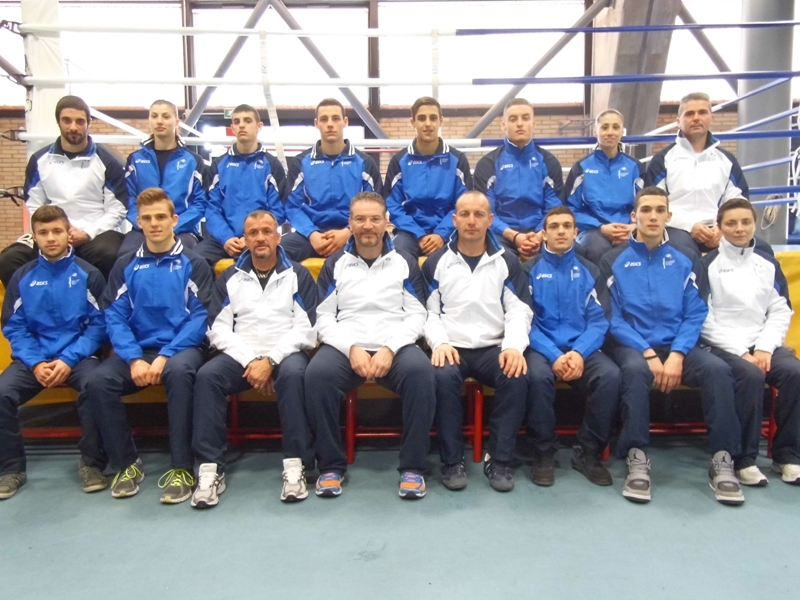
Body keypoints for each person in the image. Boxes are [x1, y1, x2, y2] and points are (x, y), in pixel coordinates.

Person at [600, 186, 744, 505]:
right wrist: (648, 352)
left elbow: (695, 312)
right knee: (636, 372)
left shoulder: (685, 259)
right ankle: (636, 456)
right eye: (646, 210)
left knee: (718, 371)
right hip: (633, 347)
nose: (652, 216)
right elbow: (613, 317)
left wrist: (678, 353)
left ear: (669, 215)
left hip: (678, 345)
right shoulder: (612, 260)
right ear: (633, 216)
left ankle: (723, 460)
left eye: (659, 210)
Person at [86, 188, 214, 503]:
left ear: (174, 220)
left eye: (161, 217)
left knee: (180, 373)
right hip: (138, 353)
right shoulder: (125, 265)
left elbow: (201, 318)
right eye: (147, 218)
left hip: (182, 349)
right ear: (138, 222)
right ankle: (127, 463)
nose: (154, 223)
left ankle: (182, 466)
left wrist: (167, 356)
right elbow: (114, 317)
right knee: (98, 381)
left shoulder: (194, 264)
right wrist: (133, 359)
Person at [304, 192, 435, 499]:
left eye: (375, 219)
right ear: (349, 224)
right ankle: (330, 466)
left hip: (396, 345)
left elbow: (418, 314)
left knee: (422, 374)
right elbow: (323, 317)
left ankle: (413, 467)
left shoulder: (403, 262)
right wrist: (351, 347)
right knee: (315, 376)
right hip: (347, 346)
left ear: (386, 223)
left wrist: (390, 347)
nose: (367, 226)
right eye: (360, 219)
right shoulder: (335, 263)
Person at [191, 209, 318, 508]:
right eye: (253, 233)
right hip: (242, 355)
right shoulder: (230, 277)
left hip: (285, 353)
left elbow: (307, 328)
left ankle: (295, 466)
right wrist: (251, 360)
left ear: (278, 236)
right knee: (207, 377)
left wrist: (270, 360)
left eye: (266, 231)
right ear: (244, 239)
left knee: (294, 374)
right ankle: (210, 469)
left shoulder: (297, 275)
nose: (260, 238)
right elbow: (217, 329)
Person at [423, 191, 532, 492]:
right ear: (454, 219)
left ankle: (499, 459)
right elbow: (428, 313)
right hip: (452, 346)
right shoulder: (437, 262)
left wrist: (513, 347)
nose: (472, 221)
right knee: (442, 378)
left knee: (517, 375)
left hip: (492, 347)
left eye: (479, 214)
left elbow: (519, 310)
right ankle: (451, 460)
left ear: (490, 220)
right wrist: (439, 343)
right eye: (465, 214)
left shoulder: (506, 260)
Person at [0, 206, 107, 500]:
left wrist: (68, 359)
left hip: (78, 357)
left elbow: (100, 326)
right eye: (43, 233)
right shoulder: (22, 277)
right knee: (1, 392)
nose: (50, 238)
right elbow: (14, 327)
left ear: (68, 233)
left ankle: (92, 463)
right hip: (34, 361)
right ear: (34, 237)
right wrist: (35, 364)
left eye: (57, 231)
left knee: (95, 386)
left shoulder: (88, 274)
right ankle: (11, 469)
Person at [700, 198, 800, 486]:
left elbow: (781, 309)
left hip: (764, 343)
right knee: (751, 375)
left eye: (745, 222)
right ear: (719, 228)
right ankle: (744, 459)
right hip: (725, 346)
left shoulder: (767, 264)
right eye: (731, 223)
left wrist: (766, 346)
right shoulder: (708, 265)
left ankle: (788, 455)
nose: (739, 228)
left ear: (754, 224)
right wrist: (743, 352)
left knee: (794, 373)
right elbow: (704, 319)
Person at [524, 206, 619, 487]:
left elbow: (600, 321)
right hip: (542, 348)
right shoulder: (528, 270)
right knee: (537, 377)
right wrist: (554, 355)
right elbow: (525, 321)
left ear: (576, 233)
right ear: (544, 234)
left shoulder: (590, 271)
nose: (561, 231)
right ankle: (543, 451)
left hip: (583, 348)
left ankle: (587, 451)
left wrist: (578, 352)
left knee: (611, 376)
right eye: (554, 226)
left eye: (567, 226)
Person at [0, 95, 127, 286]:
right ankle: (35, 309)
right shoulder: (39, 160)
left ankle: (99, 310)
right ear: (58, 121)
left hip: (94, 234)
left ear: (89, 122)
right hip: (52, 232)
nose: (73, 127)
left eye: (80, 121)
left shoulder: (108, 162)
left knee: (110, 254)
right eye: (67, 120)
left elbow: (117, 209)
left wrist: (87, 233)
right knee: (9, 259)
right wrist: (51, 232)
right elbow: (34, 204)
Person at [644, 91, 770, 262]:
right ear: (678, 122)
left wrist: (723, 226)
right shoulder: (663, 159)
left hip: (718, 228)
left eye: (702, 112)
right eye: (689, 114)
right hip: (677, 229)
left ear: (711, 117)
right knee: (684, 253)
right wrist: (690, 226)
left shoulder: (726, 160)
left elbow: (738, 201)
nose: (696, 118)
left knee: (763, 249)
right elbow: (653, 204)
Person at [282, 98, 382, 262]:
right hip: (311, 235)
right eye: (324, 119)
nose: (330, 124)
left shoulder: (364, 162)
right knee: (273, 252)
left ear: (345, 122)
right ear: (316, 123)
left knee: (383, 250)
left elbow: (376, 207)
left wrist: (348, 232)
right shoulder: (301, 162)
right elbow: (292, 207)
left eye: (335, 119)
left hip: (354, 234)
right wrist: (312, 234)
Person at [195, 104, 287, 266]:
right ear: (233, 127)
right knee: (195, 261)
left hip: (259, 238)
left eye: (247, 121)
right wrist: (226, 238)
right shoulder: (218, 165)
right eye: (237, 122)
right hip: (223, 239)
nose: (242, 125)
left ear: (259, 126)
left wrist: (250, 236)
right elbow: (212, 209)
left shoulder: (271, 165)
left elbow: (278, 211)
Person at [473, 98, 564, 258]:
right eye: (513, 119)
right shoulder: (488, 164)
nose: (520, 124)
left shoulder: (548, 162)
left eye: (525, 118)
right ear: (504, 125)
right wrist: (514, 236)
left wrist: (538, 235)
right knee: (500, 257)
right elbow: (486, 213)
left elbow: (554, 210)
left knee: (571, 252)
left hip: (541, 232)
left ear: (533, 124)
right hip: (502, 234)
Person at [384, 97, 472, 259]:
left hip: (449, 231)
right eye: (421, 118)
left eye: (433, 118)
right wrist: (419, 234)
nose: (428, 124)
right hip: (409, 233)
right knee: (395, 257)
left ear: (441, 121)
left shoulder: (457, 160)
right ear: (413, 122)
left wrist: (441, 234)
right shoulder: (399, 160)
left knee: (462, 259)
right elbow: (393, 205)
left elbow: (463, 205)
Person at [119, 99, 207, 256]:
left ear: (177, 122)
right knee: (126, 255)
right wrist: (145, 225)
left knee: (186, 256)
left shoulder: (192, 161)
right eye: (154, 116)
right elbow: (129, 200)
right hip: (144, 229)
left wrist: (172, 226)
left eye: (166, 116)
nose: (159, 121)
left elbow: (200, 204)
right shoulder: (135, 159)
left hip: (182, 230)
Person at [564, 109, 643, 264]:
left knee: (636, 248)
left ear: (622, 131)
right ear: (596, 131)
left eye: (615, 127)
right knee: (597, 250)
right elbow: (570, 209)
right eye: (605, 127)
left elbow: (645, 205)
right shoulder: (581, 167)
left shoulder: (635, 167)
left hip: (627, 229)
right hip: (593, 230)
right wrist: (600, 226)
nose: (610, 132)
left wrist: (633, 226)